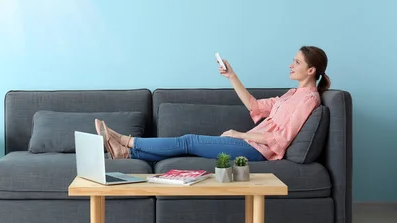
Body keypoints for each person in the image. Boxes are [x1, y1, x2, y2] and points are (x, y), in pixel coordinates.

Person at [96, 46, 331, 162]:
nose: (291, 65)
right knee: (185, 145)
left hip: (257, 150)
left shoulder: (310, 99)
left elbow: (281, 139)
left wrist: (239, 135)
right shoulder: (291, 93)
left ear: (311, 70)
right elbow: (254, 105)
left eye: (297, 62)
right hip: (249, 143)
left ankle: (125, 141)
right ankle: (125, 152)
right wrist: (232, 76)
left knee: (188, 141)